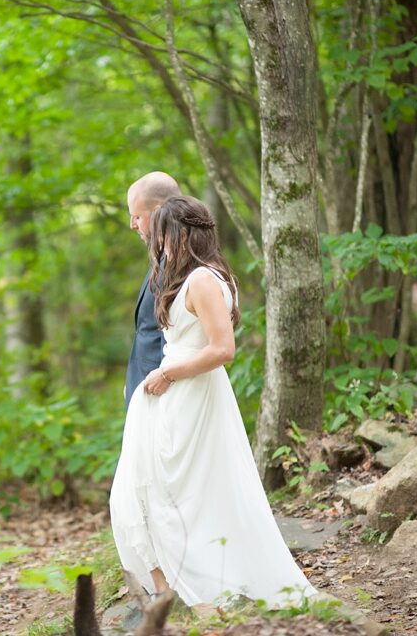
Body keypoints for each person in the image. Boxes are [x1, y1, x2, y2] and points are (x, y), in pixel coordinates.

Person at [110, 196, 316, 610]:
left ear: (183, 234)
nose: (158, 244)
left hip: (189, 395)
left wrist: (167, 373)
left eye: (164, 234)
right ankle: (170, 590)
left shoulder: (204, 279)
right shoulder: (194, 276)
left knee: (174, 496)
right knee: (137, 497)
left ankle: (187, 591)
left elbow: (223, 349)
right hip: (174, 397)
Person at [124, 171, 181, 408]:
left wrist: (162, 378)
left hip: (163, 395)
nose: (132, 224)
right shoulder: (162, 257)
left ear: (158, 212)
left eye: (137, 216)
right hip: (145, 388)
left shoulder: (181, 263)